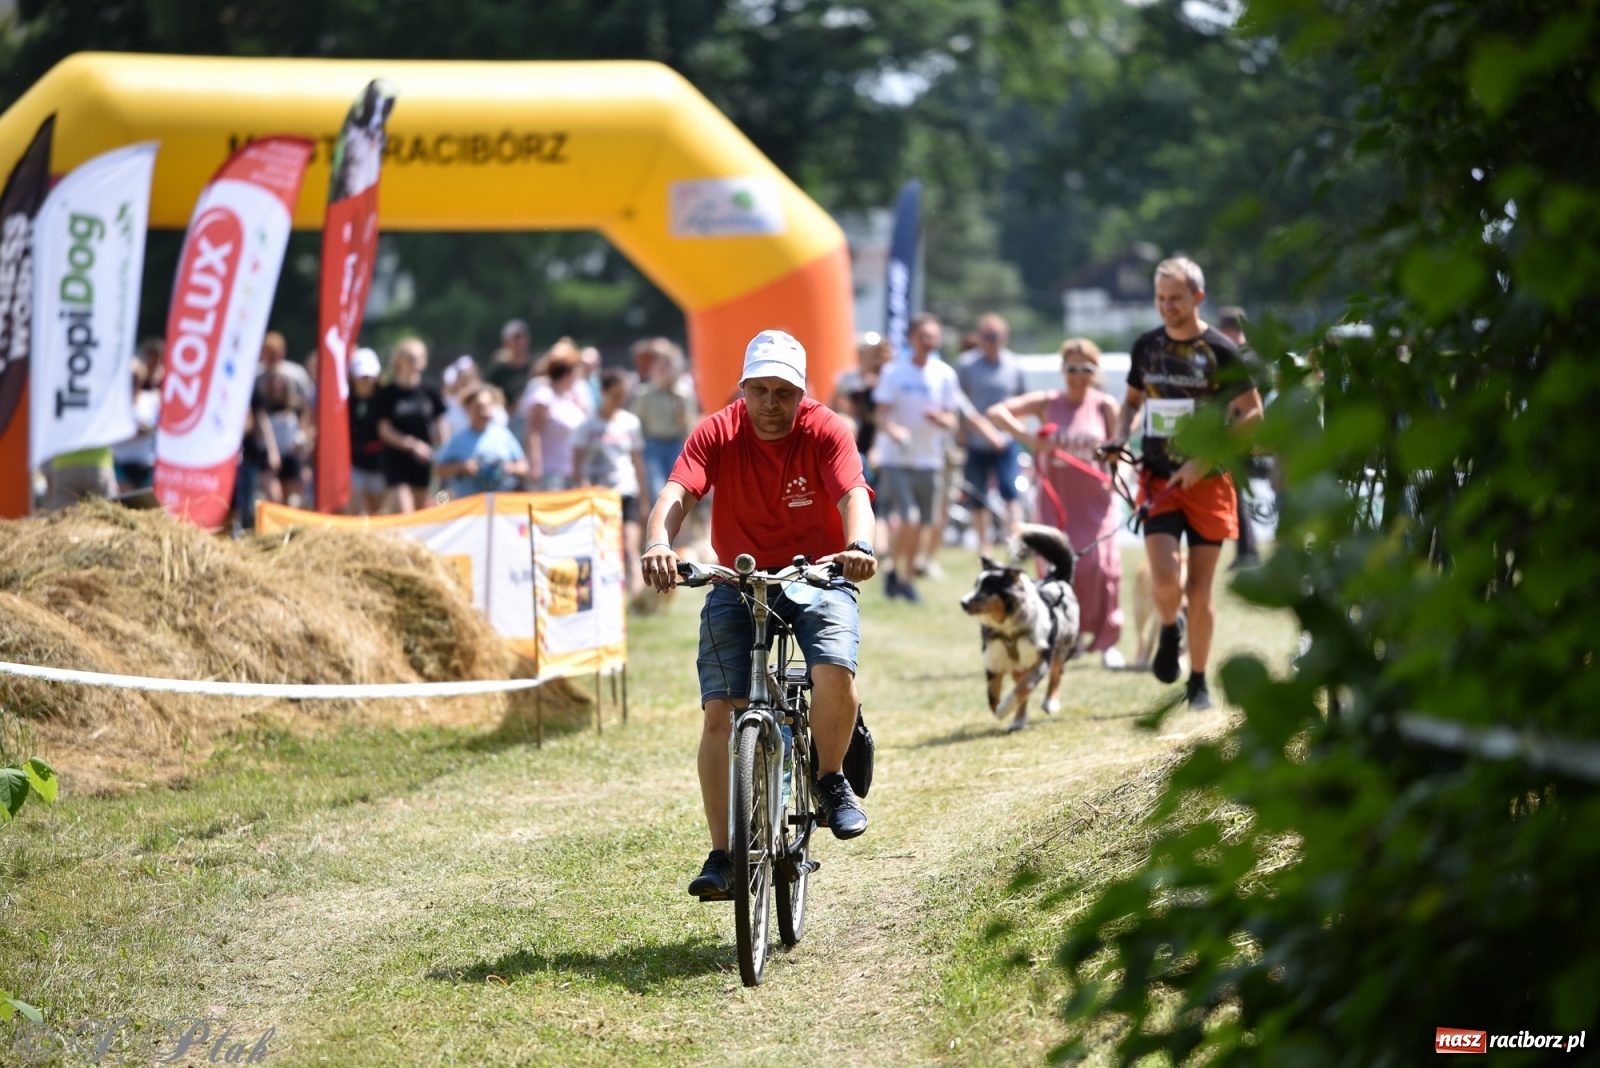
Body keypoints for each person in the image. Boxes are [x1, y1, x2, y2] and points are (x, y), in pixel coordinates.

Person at [640, 329, 878, 899]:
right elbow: (676, 493)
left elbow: (854, 496)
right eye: (760, 390)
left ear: (803, 393)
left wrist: (860, 548)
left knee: (832, 670)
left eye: (784, 392)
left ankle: (829, 780)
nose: (772, 404)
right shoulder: (717, 432)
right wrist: (657, 543)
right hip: (741, 579)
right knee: (720, 712)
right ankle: (723, 853)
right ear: (742, 388)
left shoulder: (825, 430)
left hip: (819, 572)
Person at [1101, 257, 1264, 710]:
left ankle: (1198, 682)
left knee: (1200, 589)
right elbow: (1131, 403)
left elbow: (1253, 413)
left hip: (1209, 482)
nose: (1166, 306)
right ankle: (1169, 629)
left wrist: (1205, 458)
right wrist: (1117, 437)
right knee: (1165, 580)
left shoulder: (1221, 350)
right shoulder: (1146, 347)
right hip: (1157, 480)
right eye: (1160, 298)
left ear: (1198, 297)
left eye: (1175, 298)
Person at [988, 338, 1126, 669]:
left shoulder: (1104, 405)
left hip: (1096, 501)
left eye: (1086, 368)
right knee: (1059, 569)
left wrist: (1119, 476)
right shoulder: (1049, 401)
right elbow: (996, 412)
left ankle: (1107, 641)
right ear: (1063, 370)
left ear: (1096, 371)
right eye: (1072, 368)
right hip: (1057, 502)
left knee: (1102, 568)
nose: (1078, 375)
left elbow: (1118, 446)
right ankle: (1067, 636)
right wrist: (1030, 439)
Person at [956, 313, 1028, 556]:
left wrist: (1016, 431)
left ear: (1004, 337)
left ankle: (1015, 543)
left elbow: (1024, 403)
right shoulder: (966, 364)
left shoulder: (1015, 366)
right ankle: (983, 547)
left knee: (1011, 492)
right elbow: (957, 401)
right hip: (976, 442)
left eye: (995, 336)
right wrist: (962, 431)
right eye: (986, 336)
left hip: (1005, 442)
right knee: (977, 496)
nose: (991, 341)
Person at [575, 367, 648, 596]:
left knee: (629, 546)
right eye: (615, 394)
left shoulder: (630, 422)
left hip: (627, 491)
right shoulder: (587, 425)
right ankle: (609, 595)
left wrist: (644, 498)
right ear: (604, 392)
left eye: (623, 394)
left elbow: (638, 462)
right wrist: (584, 491)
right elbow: (578, 465)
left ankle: (635, 598)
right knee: (605, 547)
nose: (619, 400)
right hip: (599, 495)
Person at [375, 337, 448, 514]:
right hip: (397, 459)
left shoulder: (430, 389)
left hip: (423, 460)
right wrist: (412, 445)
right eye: (409, 357)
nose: (413, 362)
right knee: (405, 511)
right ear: (399, 361)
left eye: (417, 357)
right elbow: (384, 429)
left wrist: (445, 452)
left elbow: (439, 422)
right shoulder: (388, 393)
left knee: (420, 511)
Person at [1217, 306, 1262, 570]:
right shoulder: (1253, 355)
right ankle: (1247, 551)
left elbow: (1241, 402)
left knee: (1235, 494)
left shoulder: (1239, 357)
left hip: (1239, 432)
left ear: (1227, 330)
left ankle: (1248, 552)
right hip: (1252, 432)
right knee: (1237, 494)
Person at [629, 340, 698, 503]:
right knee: (657, 489)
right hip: (653, 446)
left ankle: (681, 528)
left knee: (678, 491)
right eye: (660, 366)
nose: (664, 370)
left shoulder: (683, 393)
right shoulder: (644, 394)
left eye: (668, 365)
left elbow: (688, 424)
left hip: (676, 445)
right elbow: (638, 425)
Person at [434, 385, 529, 499]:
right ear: (467, 409)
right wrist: (462, 467)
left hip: (502, 506)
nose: (484, 412)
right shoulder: (458, 440)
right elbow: (439, 470)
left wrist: (510, 467)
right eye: (479, 407)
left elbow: (524, 466)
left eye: (488, 406)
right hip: (471, 507)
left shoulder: (503, 435)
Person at [520, 341, 589, 491]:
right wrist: (535, 466)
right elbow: (533, 433)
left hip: (572, 472)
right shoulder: (543, 397)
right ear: (567, 374)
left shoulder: (570, 397)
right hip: (549, 473)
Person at [346, 347, 388, 515]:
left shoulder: (385, 398)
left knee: (376, 513)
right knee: (358, 514)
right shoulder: (345, 400)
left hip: (380, 465)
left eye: (370, 375)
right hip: (354, 464)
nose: (367, 380)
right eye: (362, 376)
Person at [485, 319, 534, 439]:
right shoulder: (498, 371)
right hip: (506, 423)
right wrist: (510, 409)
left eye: (522, 337)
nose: (519, 342)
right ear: (506, 341)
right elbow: (488, 395)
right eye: (515, 338)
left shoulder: (535, 367)